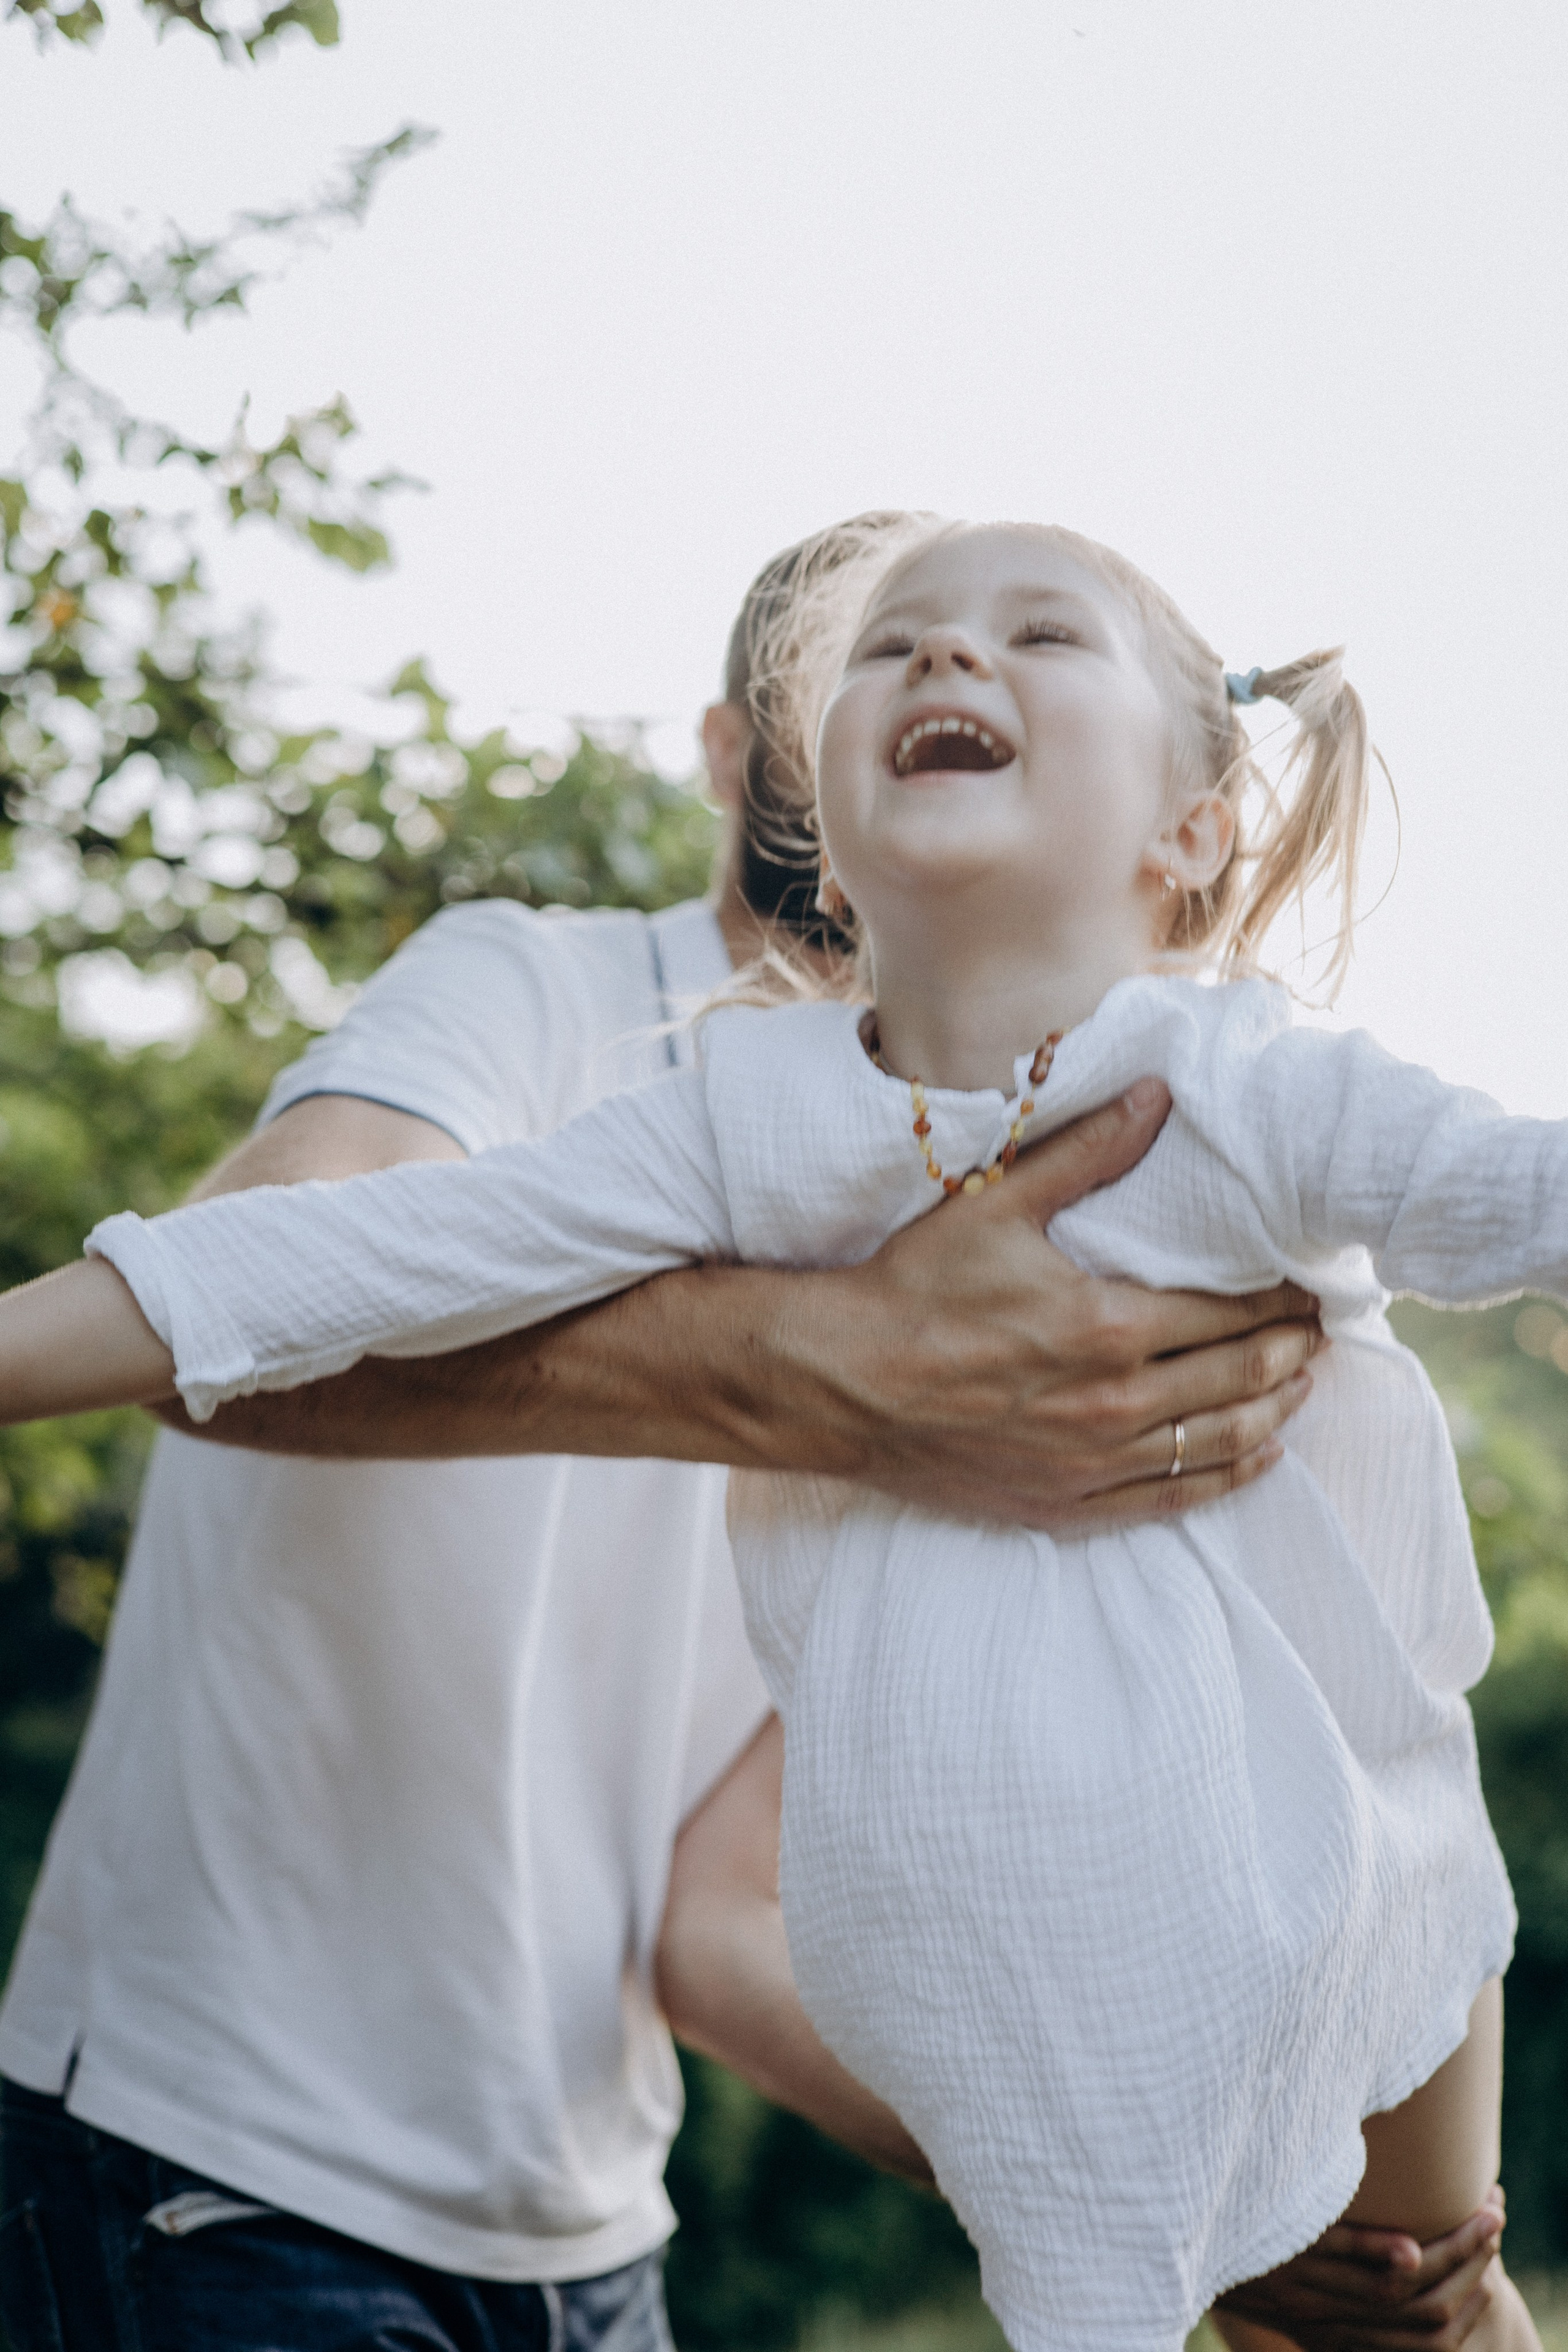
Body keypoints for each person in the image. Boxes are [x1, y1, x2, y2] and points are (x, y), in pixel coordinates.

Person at [13, 513, 1548, 2352]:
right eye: (882, 651)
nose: (942, 663)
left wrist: (1202, 2184)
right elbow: (303, 1275)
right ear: (776, 776)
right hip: (230, 2164)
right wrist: (853, 1372)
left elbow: (722, 1921)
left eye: (1031, 635)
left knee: (1433, 2320)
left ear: (1187, 824)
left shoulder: (1246, 1094)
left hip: (626, 2206)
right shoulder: (655, 1063)